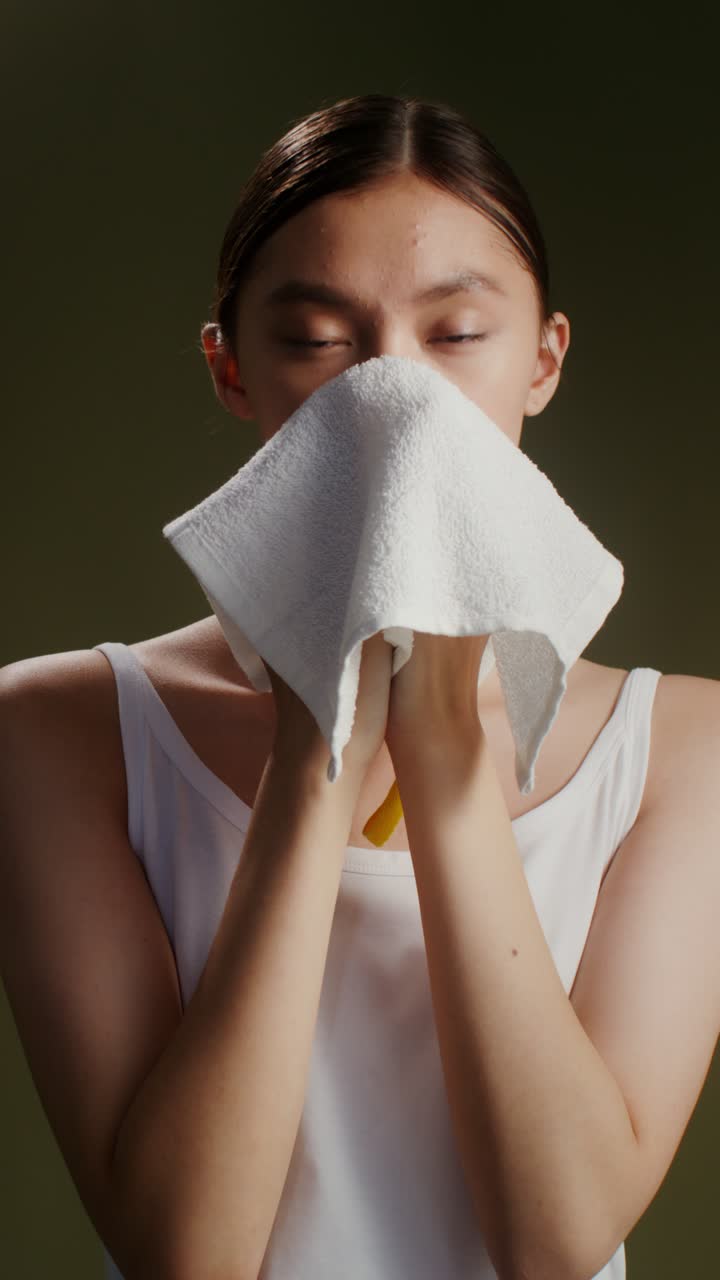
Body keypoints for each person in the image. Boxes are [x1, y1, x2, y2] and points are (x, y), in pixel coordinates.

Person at [1, 93, 719, 1280]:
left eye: (454, 336)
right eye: (322, 339)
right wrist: (311, 756)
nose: (394, 402)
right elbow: (187, 1250)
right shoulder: (58, 729)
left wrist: (443, 756)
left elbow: (557, 1240)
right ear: (232, 370)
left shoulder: (679, 750)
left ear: (542, 358)